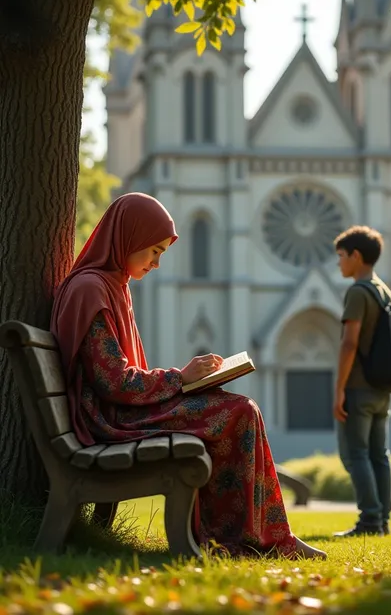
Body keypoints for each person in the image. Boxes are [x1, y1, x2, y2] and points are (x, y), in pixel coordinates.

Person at [51, 192, 327, 560]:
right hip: (109, 420)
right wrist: (180, 379)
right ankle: (246, 539)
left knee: (241, 409)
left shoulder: (112, 287)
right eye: (154, 251)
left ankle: (267, 536)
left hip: (122, 411)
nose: (157, 263)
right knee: (240, 412)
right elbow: (114, 383)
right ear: (127, 237)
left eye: (161, 253)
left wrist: (191, 382)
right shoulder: (91, 289)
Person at [332, 225, 391, 537]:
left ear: (357, 256)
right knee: (379, 455)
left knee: (355, 454)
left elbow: (349, 343)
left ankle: (370, 520)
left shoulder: (357, 292)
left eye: (342, 256)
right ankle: (382, 521)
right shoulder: (383, 290)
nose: (339, 263)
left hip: (358, 386)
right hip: (382, 388)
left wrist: (339, 389)